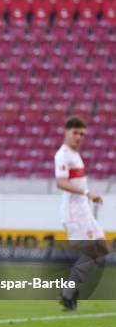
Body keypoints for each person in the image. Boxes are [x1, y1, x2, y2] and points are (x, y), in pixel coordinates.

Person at [54, 116, 110, 310]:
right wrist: (87, 193)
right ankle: (68, 293)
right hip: (74, 212)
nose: (79, 137)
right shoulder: (63, 155)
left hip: (84, 211)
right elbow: (60, 183)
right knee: (91, 251)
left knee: (103, 248)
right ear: (66, 132)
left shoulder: (75, 155)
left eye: (82, 134)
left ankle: (69, 291)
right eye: (75, 133)